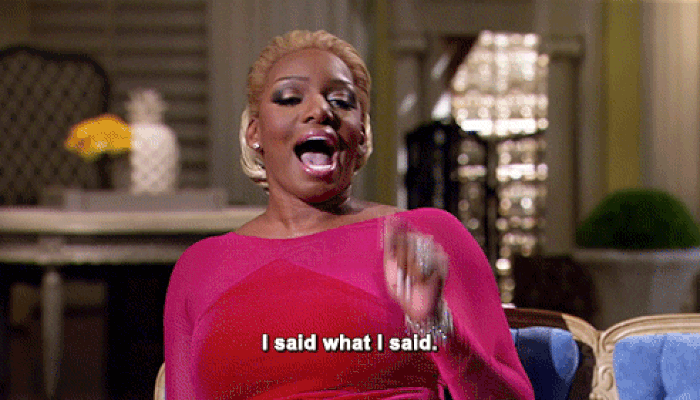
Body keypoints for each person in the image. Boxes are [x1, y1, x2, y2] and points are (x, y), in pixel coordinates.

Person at [164, 29, 534, 400]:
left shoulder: (426, 235)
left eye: (341, 101)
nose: (320, 111)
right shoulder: (200, 267)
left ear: (361, 137)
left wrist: (437, 328)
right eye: (290, 98)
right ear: (254, 133)